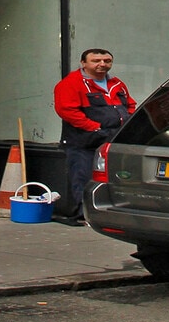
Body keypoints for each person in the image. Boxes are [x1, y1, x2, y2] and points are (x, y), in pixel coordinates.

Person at [53, 46, 135, 223]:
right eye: (96, 61)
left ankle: (109, 212)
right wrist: (95, 128)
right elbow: (67, 111)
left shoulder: (117, 84)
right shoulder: (71, 83)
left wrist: (127, 125)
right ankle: (84, 215)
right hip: (83, 141)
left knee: (113, 177)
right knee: (82, 178)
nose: (102, 64)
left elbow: (130, 105)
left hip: (113, 140)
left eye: (107, 61)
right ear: (83, 63)